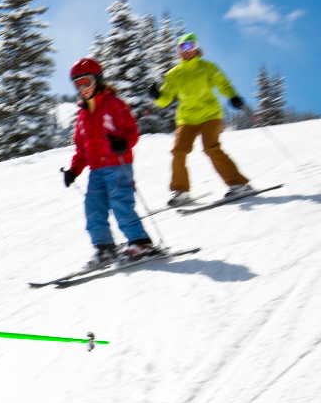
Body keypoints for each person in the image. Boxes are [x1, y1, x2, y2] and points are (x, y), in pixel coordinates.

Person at [62, 57, 156, 272]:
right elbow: (81, 150)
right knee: (93, 208)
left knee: (120, 202)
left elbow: (131, 130)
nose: (82, 89)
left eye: (86, 82)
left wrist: (123, 143)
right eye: (77, 85)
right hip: (96, 170)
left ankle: (140, 243)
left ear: (98, 80)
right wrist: (74, 170)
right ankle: (105, 248)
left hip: (117, 164)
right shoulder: (82, 115)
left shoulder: (114, 103)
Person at [151, 33, 252, 207]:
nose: (187, 50)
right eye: (183, 47)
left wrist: (233, 96)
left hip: (209, 115)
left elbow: (223, 84)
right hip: (186, 118)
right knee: (178, 151)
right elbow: (165, 99)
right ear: (179, 50)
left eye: (190, 46)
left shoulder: (207, 67)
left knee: (211, 148)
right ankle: (181, 190)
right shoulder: (174, 74)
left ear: (196, 48)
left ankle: (239, 184)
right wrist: (157, 96)